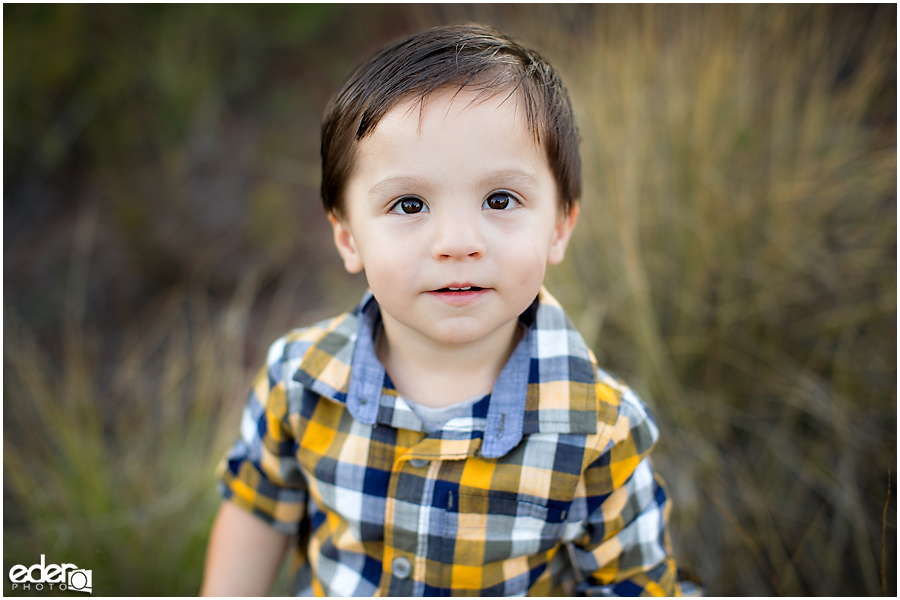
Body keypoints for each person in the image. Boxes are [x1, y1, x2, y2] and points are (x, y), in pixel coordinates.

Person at [201, 24, 680, 596]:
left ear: (559, 227)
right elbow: (258, 510)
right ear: (349, 237)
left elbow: (631, 586)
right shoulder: (301, 380)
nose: (457, 241)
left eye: (500, 200)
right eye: (410, 204)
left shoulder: (599, 433)